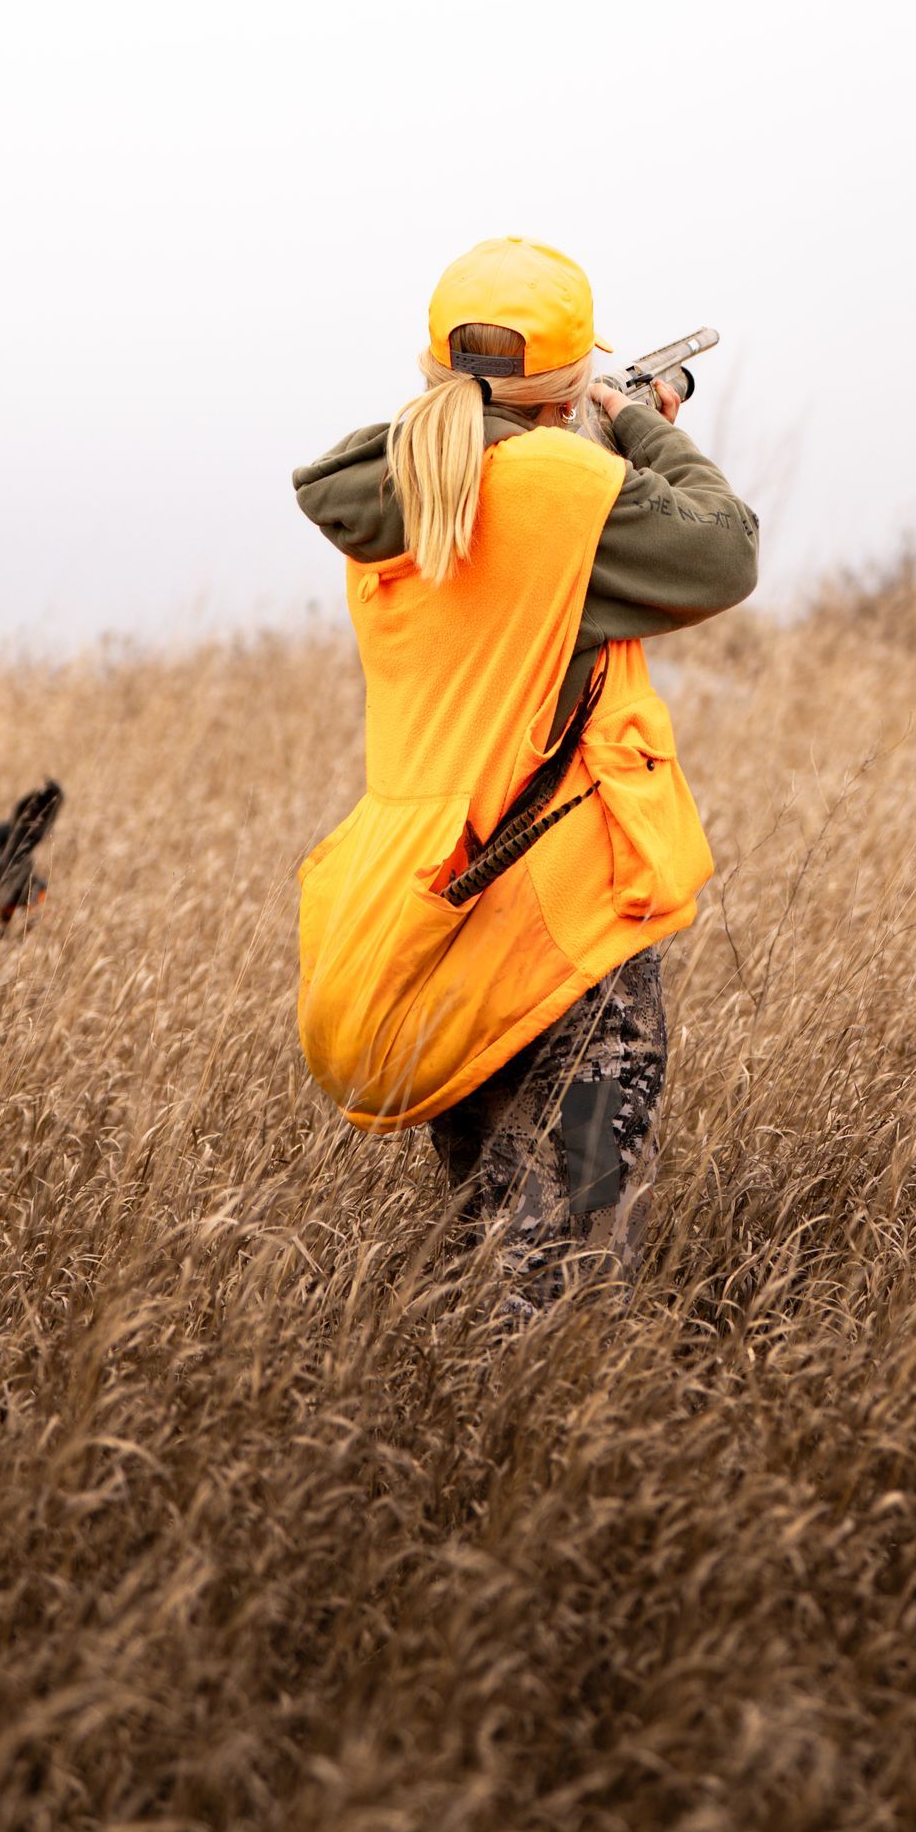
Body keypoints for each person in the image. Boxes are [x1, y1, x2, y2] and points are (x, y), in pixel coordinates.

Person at [291, 235, 758, 1316]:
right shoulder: (561, 490)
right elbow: (725, 550)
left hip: (431, 924)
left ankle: (465, 1467)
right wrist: (636, 421)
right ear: (564, 391)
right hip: (562, 935)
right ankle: (544, 1472)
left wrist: (554, 416)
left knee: (489, 1254)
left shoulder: (392, 492)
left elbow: (443, 472)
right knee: (568, 1293)